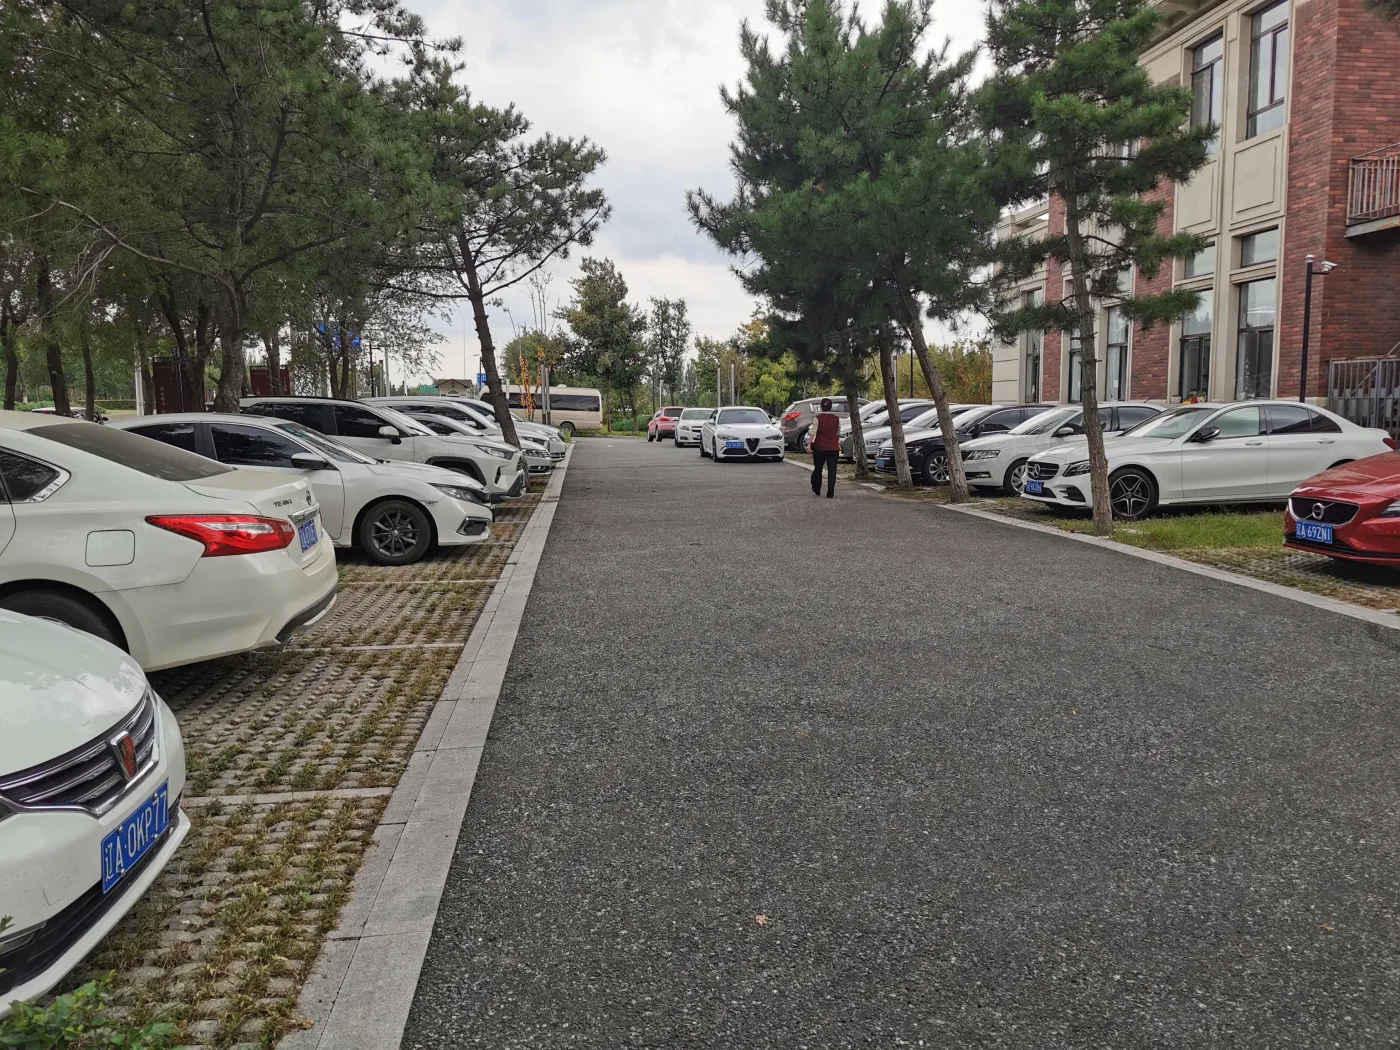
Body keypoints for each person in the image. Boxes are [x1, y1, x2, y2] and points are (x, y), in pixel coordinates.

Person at [808, 397, 840, 498]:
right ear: (831, 407)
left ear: (821, 407)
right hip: (833, 448)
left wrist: (809, 444)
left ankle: (817, 488)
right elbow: (838, 433)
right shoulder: (837, 419)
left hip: (820, 448)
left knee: (818, 469)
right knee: (832, 470)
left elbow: (813, 432)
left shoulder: (818, 418)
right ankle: (830, 492)